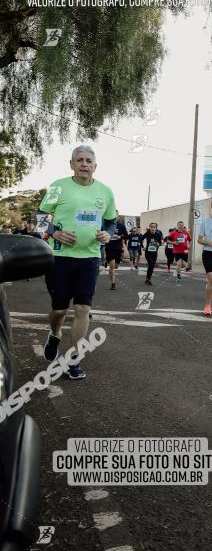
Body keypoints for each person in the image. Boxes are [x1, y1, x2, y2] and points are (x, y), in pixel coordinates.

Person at [40, 145, 116, 380]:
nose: (84, 164)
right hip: (60, 258)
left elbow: (111, 222)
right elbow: (39, 217)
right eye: (80, 160)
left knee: (83, 308)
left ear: (95, 165)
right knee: (59, 310)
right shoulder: (58, 186)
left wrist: (108, 234)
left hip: (90, 258)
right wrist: (54, 233)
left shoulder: (105, 192)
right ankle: (54, 334)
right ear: (71, 164)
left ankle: (74, 359)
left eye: (88, 160)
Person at [105, 212, 129, 290]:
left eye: (116, 214)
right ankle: (113, 283)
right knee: (112, 265)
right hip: (109, 247)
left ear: (118, 216)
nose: (114, 215)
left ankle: (110, 271)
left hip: (118, 248)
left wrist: (120, 236)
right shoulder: (107, 224)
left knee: (116, 266)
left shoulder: (121, 226)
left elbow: (126, 236)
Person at [168, 220, 191, 284]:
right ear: (177, 226)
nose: (181, 226)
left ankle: (178, 270)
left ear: (183, 226)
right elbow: (168, 240)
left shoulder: (186, 232)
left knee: (184, 265)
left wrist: (188, 244)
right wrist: (173, 242)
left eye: (182, 225)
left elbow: (189, 239)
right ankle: (178, 276)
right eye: (179, 225)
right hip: (176, 251)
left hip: (185, 250)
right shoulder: (174, 233)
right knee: (179, 264)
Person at [142, 221, 164, 285]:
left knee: (152, 266)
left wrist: (158, 244)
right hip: (148, 252)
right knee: (151, 264)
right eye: (151, 227)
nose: (153, 228)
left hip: (154, 252)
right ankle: (148, 279)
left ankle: (148, 279)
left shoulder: (158, 234)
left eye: (154, 227)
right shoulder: (147, 233)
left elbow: (160, 243)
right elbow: (141, 240)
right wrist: (143, 246)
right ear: (149, 227)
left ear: (156, 228)